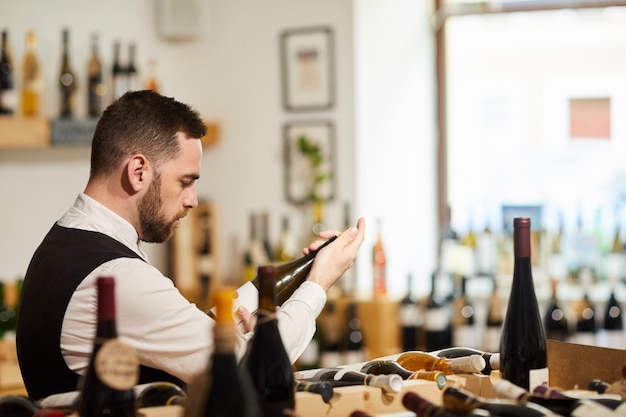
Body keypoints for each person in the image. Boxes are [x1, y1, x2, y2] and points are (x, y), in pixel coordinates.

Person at [16, 90, 366, 401]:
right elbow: (248, 371)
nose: (193, 200)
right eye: (185, 182)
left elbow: (192, 331)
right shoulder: (115, 275)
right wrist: (318, 287)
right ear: (139, 171)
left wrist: (294, 280)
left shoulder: (65, 243)